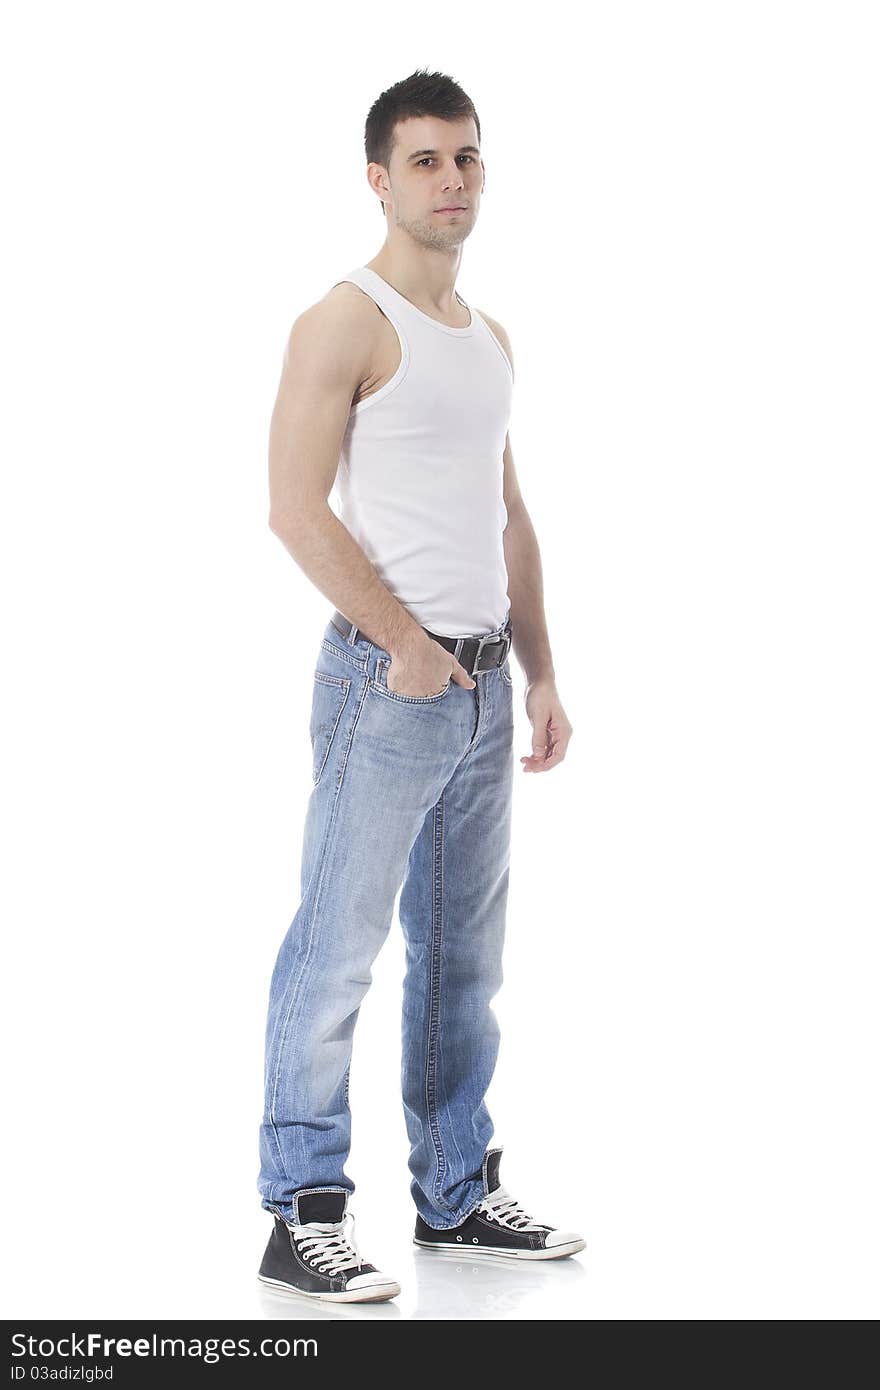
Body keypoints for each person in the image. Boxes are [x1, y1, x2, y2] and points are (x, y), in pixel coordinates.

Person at [257, 68, 583, 1305]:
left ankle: (454, 1195)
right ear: (379, 178)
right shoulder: (343, 320)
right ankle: (302, 1208)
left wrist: (542, 670)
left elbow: (504, 511)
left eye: (468, 158)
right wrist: (400, 643)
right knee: (335, 950)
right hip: (388, 685)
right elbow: (293, 510)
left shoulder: (488, 336)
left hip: (486, 687)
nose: (452, 181)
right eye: (428, 160)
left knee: (461, 960)